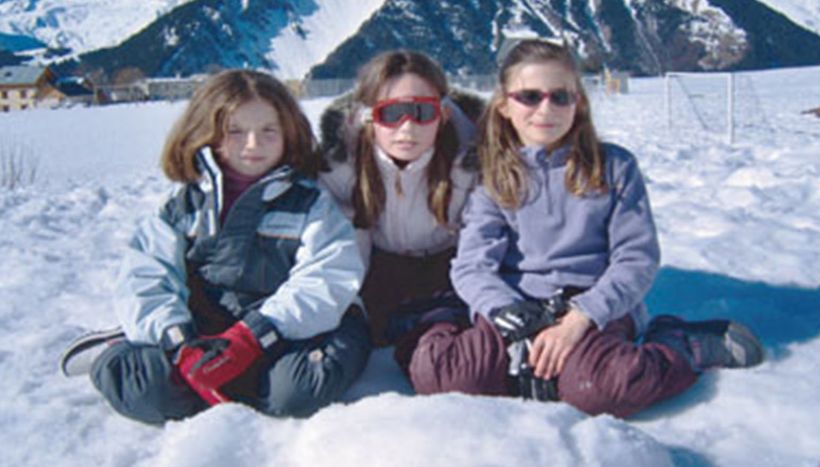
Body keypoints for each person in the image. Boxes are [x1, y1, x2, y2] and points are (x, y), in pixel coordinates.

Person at [397, 39, 764, 417]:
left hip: (590, 308)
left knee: (602, 389)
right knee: (445, 376)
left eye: (560, 97)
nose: (546, 109)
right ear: (504, 105)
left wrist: (582, 317)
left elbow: (636, 259)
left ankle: (681, 344)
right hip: (515, 307)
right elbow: (473, 264)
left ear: (579, 103)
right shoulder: (492, 175)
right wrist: (505, 312)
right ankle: (437, 320)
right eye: (529, 97)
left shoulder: (613, 168)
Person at [60, 70, 371, 425]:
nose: (253, 144)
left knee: (298, 390)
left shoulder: (310, 202)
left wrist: (255, 335)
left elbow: (327, 275)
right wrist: (178, 342)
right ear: (206, 132)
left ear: (289, 133)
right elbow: (148, 274)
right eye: (235, 132)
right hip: (202, 331)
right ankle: (120, 349)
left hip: (283, 330)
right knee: (145, 389)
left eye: (268, 131)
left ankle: (231, 377)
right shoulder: (182, 205)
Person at [318, 50, 482, 346]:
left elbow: (481, 239)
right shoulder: (341, 164)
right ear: (369, 117)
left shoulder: (471, 160)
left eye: (423, 113)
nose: (407, 128)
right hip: (378, 269)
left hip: (451, 268)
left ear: (443, 115)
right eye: (391, 114)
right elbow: (345, 245)